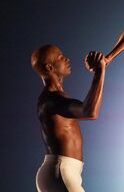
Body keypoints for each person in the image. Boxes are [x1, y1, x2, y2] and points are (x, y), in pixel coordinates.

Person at [31, 45, 106, 192]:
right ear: (49, 68)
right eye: (60, 57)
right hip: (61, 172)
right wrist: (100, 71)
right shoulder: (51, 99)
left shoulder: (52, 97)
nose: (66, 59)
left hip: (60, 172)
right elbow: (90, 112)